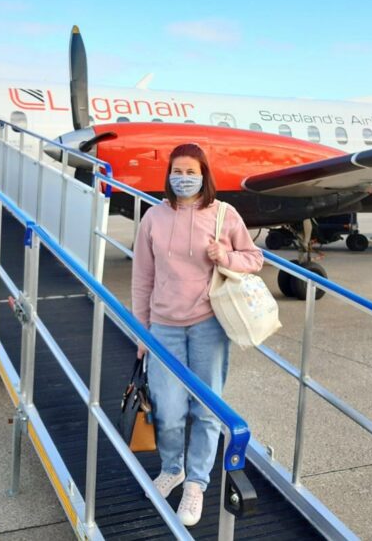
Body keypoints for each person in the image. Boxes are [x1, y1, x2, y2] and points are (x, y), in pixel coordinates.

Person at [131, 143, 263, 527]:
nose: (183, 177)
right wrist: (142, 332)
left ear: (204, 174)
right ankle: (171, 468)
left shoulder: (224, 214)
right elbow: (142, 279)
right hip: (164, 327)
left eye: (191, 171)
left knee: (205, 410)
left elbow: (254, 259)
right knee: (169, 412)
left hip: (209, 324)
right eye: (177, 170)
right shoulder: (153, 218)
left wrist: (226, 256)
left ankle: (196, 482)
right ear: (168, 174)